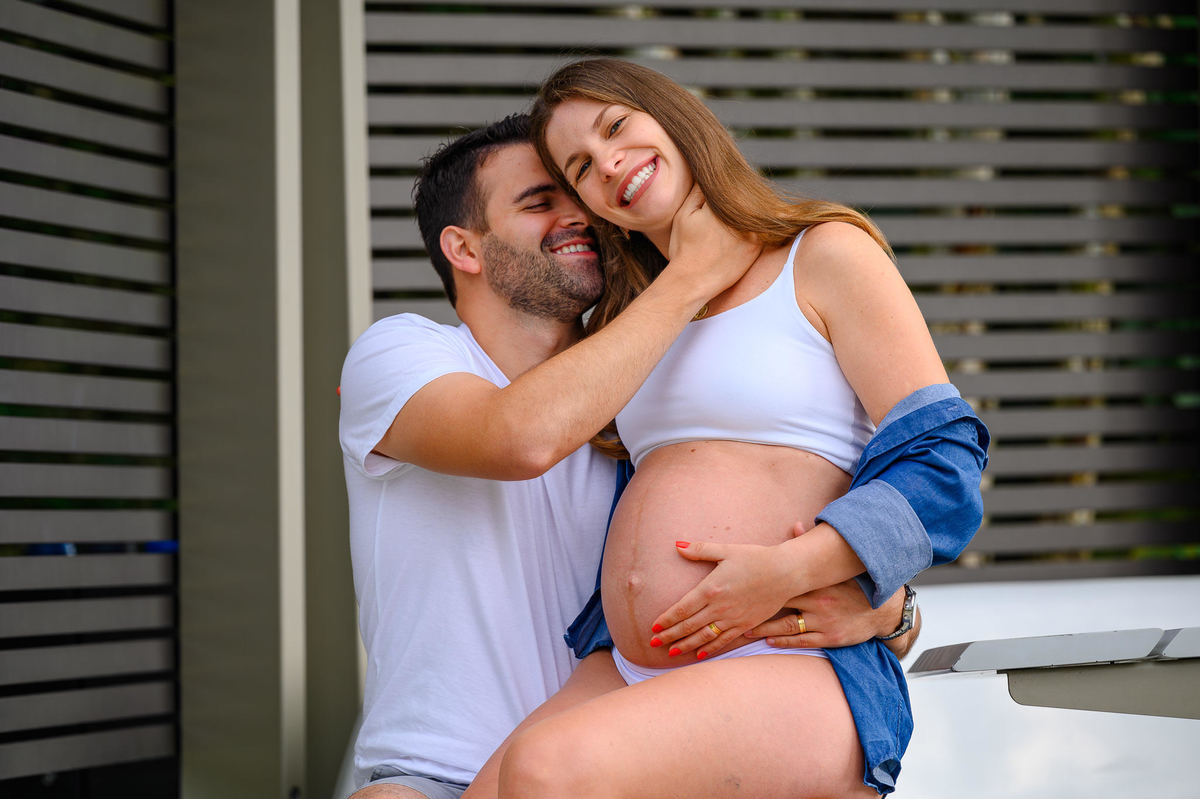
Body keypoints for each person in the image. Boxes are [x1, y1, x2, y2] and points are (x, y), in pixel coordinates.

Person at [339, 115, 920, 799]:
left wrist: (890, 606)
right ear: (463, 248)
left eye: (579, 199)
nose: (576, 217)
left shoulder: (643, 402)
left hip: (635, 753)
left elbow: (776, 506)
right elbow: (520, 437)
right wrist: (694, 274)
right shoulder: (401, 355)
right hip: (435, 769)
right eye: (539, 202)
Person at [462, 58, 991, 798]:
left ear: (673, 115)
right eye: (581, 167)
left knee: (549, 770)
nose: (609, 164)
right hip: (630, 665)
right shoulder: (631, 321)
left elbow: (945, 460)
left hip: (784, 658)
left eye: (617, 127)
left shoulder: (823, 253)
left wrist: (794, 570)